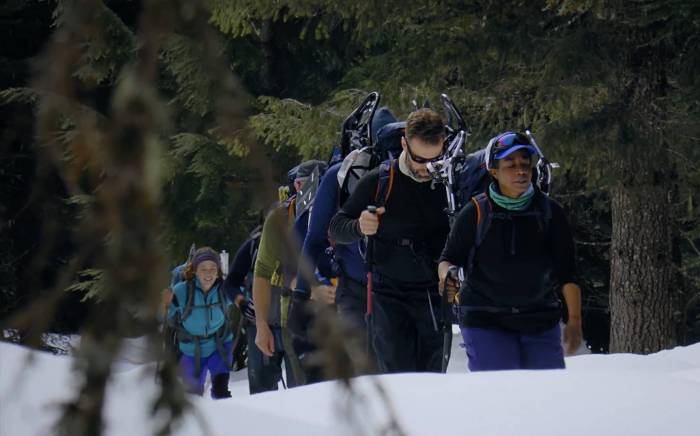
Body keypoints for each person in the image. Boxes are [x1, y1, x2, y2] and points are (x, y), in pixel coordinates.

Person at [438, 131, 583, 371]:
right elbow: (448, 258)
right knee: (499, 396)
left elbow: (567, 272)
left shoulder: (549, 213)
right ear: (493, 171)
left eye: (525, 163)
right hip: (485, 319)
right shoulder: (475, 212)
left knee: (546, 398)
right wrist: (447, 275)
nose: (521, 170)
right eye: (510, 164)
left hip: (540, 319)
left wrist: (575, 321)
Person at [329, 108, 450, 373]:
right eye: (420, 159)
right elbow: (336, 227)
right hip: (388, 294)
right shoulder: (380, 180)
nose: (427, 168)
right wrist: (360, 226)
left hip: (432, 293)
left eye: (435, 159)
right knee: (398, 375)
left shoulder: (448, 181)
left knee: (434, 378)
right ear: (404, 143)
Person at [251, 160, 326, 392]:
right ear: (295, 185)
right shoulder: (280, 218)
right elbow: (262, 271)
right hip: (294, 318)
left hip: (341, 316)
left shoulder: (337, 206)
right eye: (304, 184)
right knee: (304, 392)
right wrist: (261, 325)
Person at [167, 247, 234, 398]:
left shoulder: (224, 289)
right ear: (195, 271)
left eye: (212, 268)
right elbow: (164, 315)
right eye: (203, 269)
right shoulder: (181, 291)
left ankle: (225, 419)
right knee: (192, 397)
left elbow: (244, 296)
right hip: (191, 349)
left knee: (221, 392)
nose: (208, 273)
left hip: (220, 346)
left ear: (218, 271)